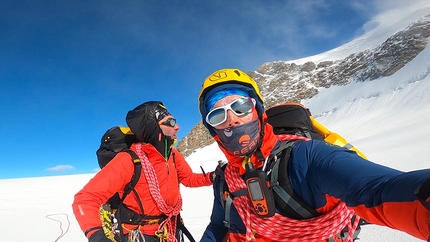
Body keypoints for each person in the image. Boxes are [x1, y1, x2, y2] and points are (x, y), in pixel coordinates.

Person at [197, 68, 430, 242]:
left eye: (241, 107)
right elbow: (219, 225)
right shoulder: (225, 180)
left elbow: (378, 189)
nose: (232, 119)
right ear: (213, 131)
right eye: (217, 115)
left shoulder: (306, 156)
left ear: (258, 110)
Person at [72, 101, 214, 242]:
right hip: (140, 233)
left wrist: (213, 177)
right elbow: (85, 199)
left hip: (171, 228)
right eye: (170, 122)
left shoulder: (173, 156)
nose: (177, 127)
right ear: (154, 128)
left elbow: (188, 178)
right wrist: (97, 236)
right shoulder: (129, 160)